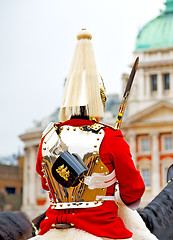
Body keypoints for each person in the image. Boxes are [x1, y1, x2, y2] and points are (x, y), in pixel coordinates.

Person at [34, 29, 145, 240]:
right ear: (99, 100)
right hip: (102, 228)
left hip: (53, 226)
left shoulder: (47, 138)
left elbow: (47, 183)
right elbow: (134, 193)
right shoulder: (110, 137)